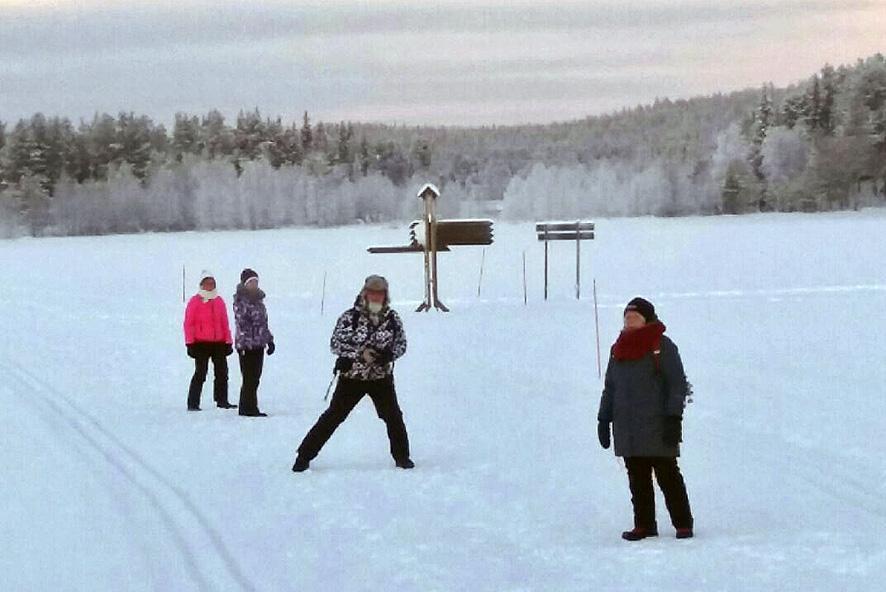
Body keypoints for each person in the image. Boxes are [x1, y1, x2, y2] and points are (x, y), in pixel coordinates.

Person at [293, 275, 413, 472]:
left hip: (381, 378)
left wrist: (388, 356)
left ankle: (402, 457)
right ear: (364, 293)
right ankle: (303, 456)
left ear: (385, 295)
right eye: (372, 292)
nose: (376, 296)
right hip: (352, 378)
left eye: (380, 293)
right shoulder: (350, 317)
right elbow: (335, 344)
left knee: (393, 417)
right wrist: (359, 354)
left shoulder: (393, 318)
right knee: (334, 416)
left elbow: (401, 344)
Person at [597, 297, 694, 541]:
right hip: (627, 426)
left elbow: (677, 384)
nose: (630, 322)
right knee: (637, 478)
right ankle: (644, 525)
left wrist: (674, 417)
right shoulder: (617, 349)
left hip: (658, 424)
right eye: (627, 318)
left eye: (635, 317)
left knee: (667, 475)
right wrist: (603, 418)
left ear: (646, 319)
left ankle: (683, 524)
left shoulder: (662, 345)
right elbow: (610, 387)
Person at [183, 270, 236, 411]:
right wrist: (189, 343)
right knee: (200, 373)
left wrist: (228, 341)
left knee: (222, 373)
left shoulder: (219, 301)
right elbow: (189, 323)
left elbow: (225, 322)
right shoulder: (195, 301)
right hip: (201, 343)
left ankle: (222, 400)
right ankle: (193, 403)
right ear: (201, 284)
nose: (210, 286)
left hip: (218, 343)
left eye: (212, 283)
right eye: (207, 283)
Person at [233, 268, 275, 417]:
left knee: (255, 377)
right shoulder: (240, 301)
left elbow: (264, 323)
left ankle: (252, 406)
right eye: (251, 282)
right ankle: (246, 408)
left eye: (256, 282)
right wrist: (245, 342)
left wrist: (269, 340)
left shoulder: (259, 302)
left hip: (259, 345)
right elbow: (243, 322)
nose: (254, 285)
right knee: (248, 377)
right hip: (246, 345)